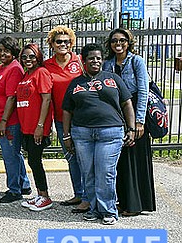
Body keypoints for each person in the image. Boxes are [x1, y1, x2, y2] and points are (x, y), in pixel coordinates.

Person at [63, 42, 136, 225]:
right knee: (88, 173)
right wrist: (66, 135)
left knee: (105, 172)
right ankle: (94, 209)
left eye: (98, 58)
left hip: (110, 133)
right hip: (82, 134)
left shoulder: (113, 79)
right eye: (91, 58)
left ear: (102, 60)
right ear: (84, 60)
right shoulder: (75, 83)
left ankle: (108, 210)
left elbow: (127, 103)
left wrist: (132, 128)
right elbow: (67, 110)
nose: (95, 61)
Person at [102, 28, 155, 216]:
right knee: (121, 160)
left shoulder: (136, 61)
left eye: (122, 40)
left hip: (134, 110)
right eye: (114, 40)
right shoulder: (107, 64)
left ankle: (136, 204)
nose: (118, 43)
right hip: (117, 113)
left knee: (135, 158)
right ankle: (122, 201)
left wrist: (139, 121)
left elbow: (143, 91)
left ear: (128, 42)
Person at [43, 26, 88, 213]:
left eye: (66, 41)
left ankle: (89, 196)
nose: (63, 44)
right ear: (52, 44)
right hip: (61, 120)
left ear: (72, 43)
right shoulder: (46, 65)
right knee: (71, 157)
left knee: (85, 157)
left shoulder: (80, 62)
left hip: (83, 118)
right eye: (59, 41)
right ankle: (79, 193)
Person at [0, 37, 31, 203]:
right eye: (0, 50)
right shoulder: (1, 68)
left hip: (8, 122)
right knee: (15, 155)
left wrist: (4, 121)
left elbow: (11, 98)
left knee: (10, 157)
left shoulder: (14, 69)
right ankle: (24, 184)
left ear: (13, 52)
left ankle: (14, 190)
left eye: (6, 51)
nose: (2, 54)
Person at [16, 43, 54, 212]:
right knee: (32, 160)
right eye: (24, 57)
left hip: (37, 127)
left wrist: (40, 126)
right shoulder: (26, 74)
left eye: (32, 56)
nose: (28, 59)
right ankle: (39, 194)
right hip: (26, 126)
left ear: (38, 57)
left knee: (35, 161)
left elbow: (46, 99)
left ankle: (45, 197)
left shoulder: (42, 73)